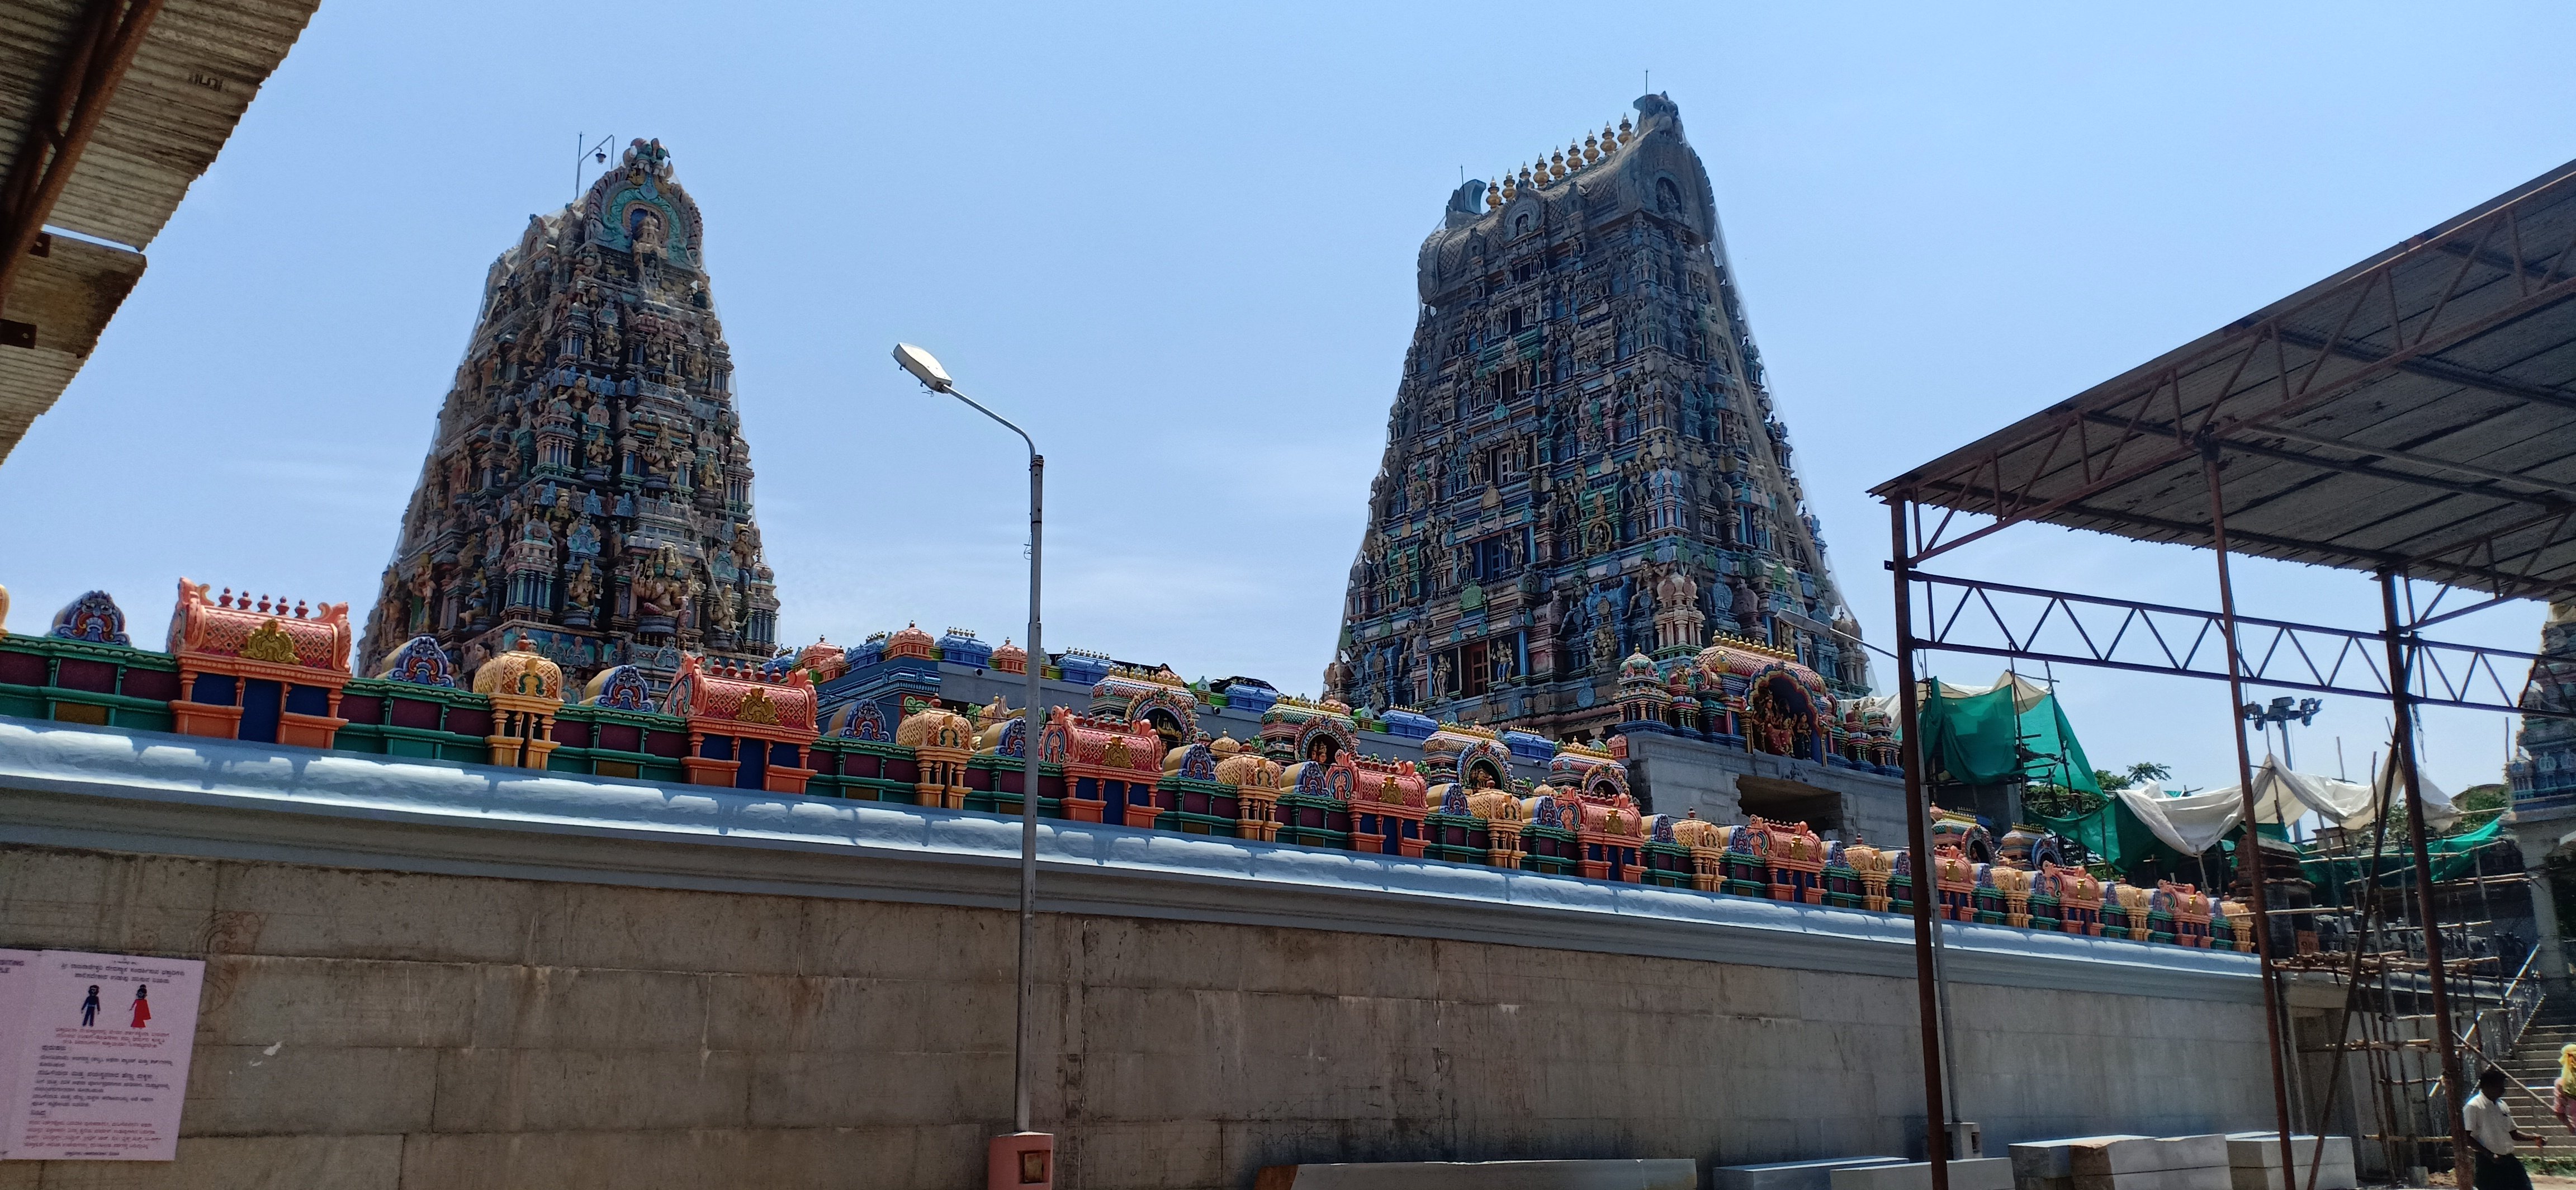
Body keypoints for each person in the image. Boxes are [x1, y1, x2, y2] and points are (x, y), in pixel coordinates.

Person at [2465, 1066, 2540, 1190]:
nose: (2503, 1090)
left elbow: (2513, 1133)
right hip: (2488, 1163)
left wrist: (2534, 1138)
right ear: (2488, 1086)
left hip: (2508, 1160)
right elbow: (2467, 1137)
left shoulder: (2502, 1105)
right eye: (2500, 1086)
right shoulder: (2473, 1106)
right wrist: (2489, 1155)